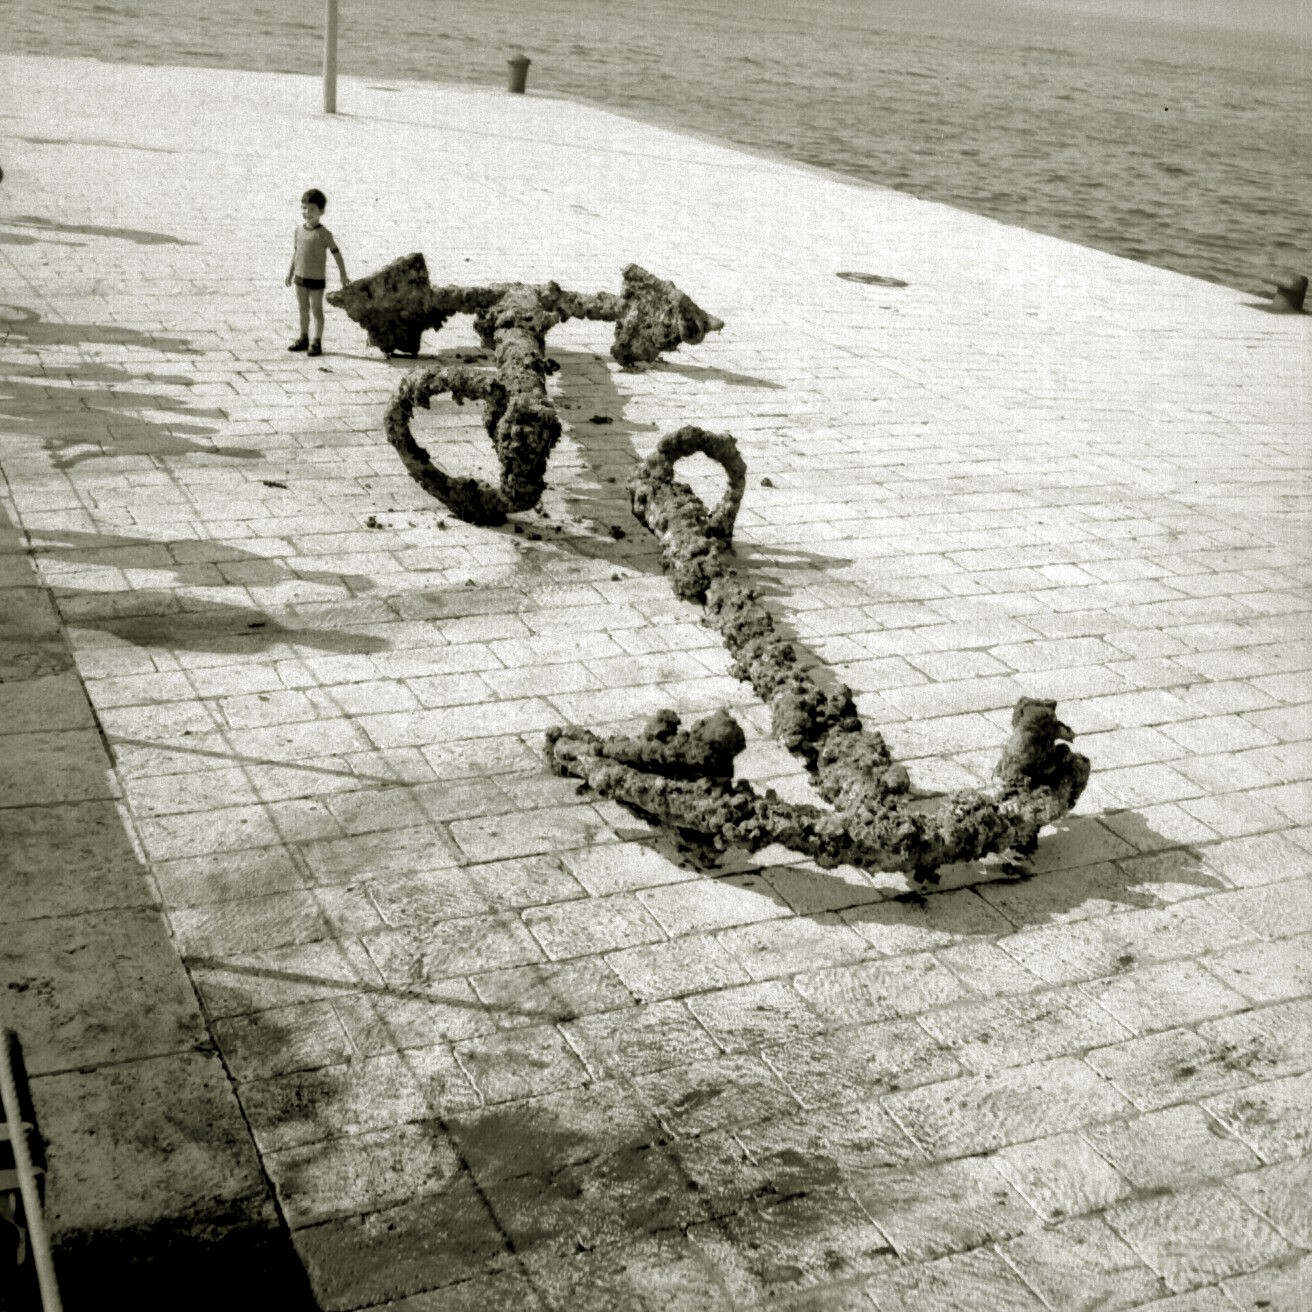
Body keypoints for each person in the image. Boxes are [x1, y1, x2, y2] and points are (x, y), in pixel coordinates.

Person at [285, 188, 348, 356]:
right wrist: (290, 272)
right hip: (300, 277)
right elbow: (296, 252)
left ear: (322, 211)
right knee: (302, 309)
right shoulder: (298, 230)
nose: (307, 212)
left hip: (316, 279)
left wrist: (343, 274)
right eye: (304, 208)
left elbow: (336, 253)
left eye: (312, 209)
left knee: (317, 310)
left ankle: (317, 341)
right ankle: (303, 337)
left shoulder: (324, 234)